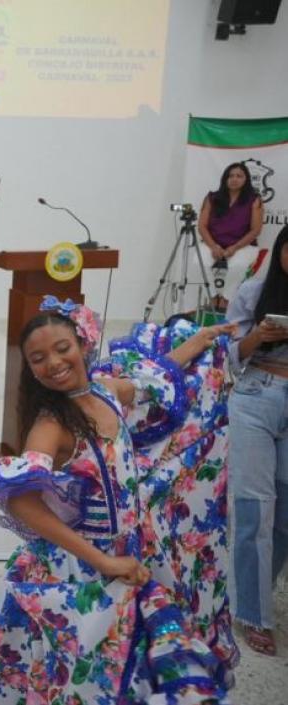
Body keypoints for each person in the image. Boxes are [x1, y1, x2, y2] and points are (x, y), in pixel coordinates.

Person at [0, 301, 234, 704]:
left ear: (82, 345)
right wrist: (102, 561)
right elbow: (21, 502)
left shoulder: (109, 391)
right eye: (38, 358)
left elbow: (158, 377)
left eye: (62, 348)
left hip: (129, 558)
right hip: (74, 571)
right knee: (66, 675)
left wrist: (197, 341)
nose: (53, 362)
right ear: (30, 369)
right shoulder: (52, 423)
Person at [226, 223, 288, 656]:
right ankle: (253, 614)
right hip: (254, 397)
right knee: (254, 509)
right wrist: (257, 337)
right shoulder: (254, 291)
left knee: (284, 515)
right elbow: (227, 353)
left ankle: (258, 593)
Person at [199, 162, 265, 309]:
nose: (234, 179)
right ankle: (213, 296)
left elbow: (256, 230)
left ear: (246, 179)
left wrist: (234, 247)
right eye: (231, 176)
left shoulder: (254, 200)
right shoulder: (212, 197)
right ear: (225, 179)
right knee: (200, 262)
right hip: (212, 243)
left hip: (242, 245)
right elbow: (202, 226)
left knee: (238, 265)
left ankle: (226, 299)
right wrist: (214, 246)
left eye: (239, 176)